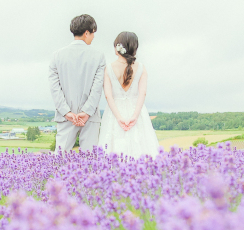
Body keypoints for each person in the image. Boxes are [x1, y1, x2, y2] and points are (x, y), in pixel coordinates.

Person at [48, 14, 106, 152]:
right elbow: (97, 88)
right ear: (87, 33)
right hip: (90, 116)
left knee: (59, 161)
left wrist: (66, 112)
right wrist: (86, 112)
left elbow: (55, 88)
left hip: (66, 116)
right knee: (90, 161)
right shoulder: (99, 56)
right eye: (93, 33)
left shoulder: (57, 56)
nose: (93, 37)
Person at [98, 31, 160, 158]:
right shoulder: (141, 68)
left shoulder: (108, 68)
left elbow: (108, 96)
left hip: (114, 112)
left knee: (112, 148)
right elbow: (142, 94)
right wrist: (135, 116)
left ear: (118, 47)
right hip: (136, 110)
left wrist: (119, 117)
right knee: (142, 146)